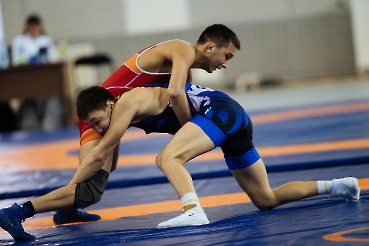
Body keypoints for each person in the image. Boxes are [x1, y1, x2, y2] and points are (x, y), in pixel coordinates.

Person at [0, 83, 360, 241]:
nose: (96, 129)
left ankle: (193, 209)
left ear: (110, 105)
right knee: (265, 199)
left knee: (166, 156)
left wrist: (74, 185)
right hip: (231, 119)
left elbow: (98, 155)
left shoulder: (125, 105)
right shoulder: (123, 111)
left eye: (96, 121)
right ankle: (339, 185)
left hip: (221, 112)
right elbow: (106, 156)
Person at [53, 24, 240, 225]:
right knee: (92, 182)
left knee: (110, 167)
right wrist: (190, 131)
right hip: (100, 112)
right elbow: (175, 94)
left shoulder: (184, 70)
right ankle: (49, 208)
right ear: (210, 47)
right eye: (227, 56)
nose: (226, 64)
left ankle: (67, 209)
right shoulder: (183, 50)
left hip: (119, 112)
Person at [11, 14, 60, 131]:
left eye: (36, 27)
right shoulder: (19, 41)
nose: (34, 29)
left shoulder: (46, 40)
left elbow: (54, 57)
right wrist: (29, 59)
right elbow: (15, 60)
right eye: (31, 27)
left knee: (53, 96)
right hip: (26, 78)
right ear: (27, 27)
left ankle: (49, 124)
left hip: (46, 77)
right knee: (29, 101)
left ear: (40, 27)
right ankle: (29, 124)